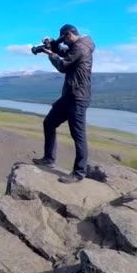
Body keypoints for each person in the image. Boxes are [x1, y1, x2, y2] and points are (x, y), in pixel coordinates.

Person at [32, 24, 95, 183]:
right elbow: (65, 52)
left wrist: (50, 54)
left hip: (78, 98)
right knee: (49, 123)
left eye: (64, 39)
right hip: (69, 96)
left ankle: (79, 173)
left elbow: (62, 65)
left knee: (78, 135)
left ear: (69, 35)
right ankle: (49, 158)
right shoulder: (77, 46)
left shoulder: (81, 49)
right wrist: (52, 43)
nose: (64, 43)